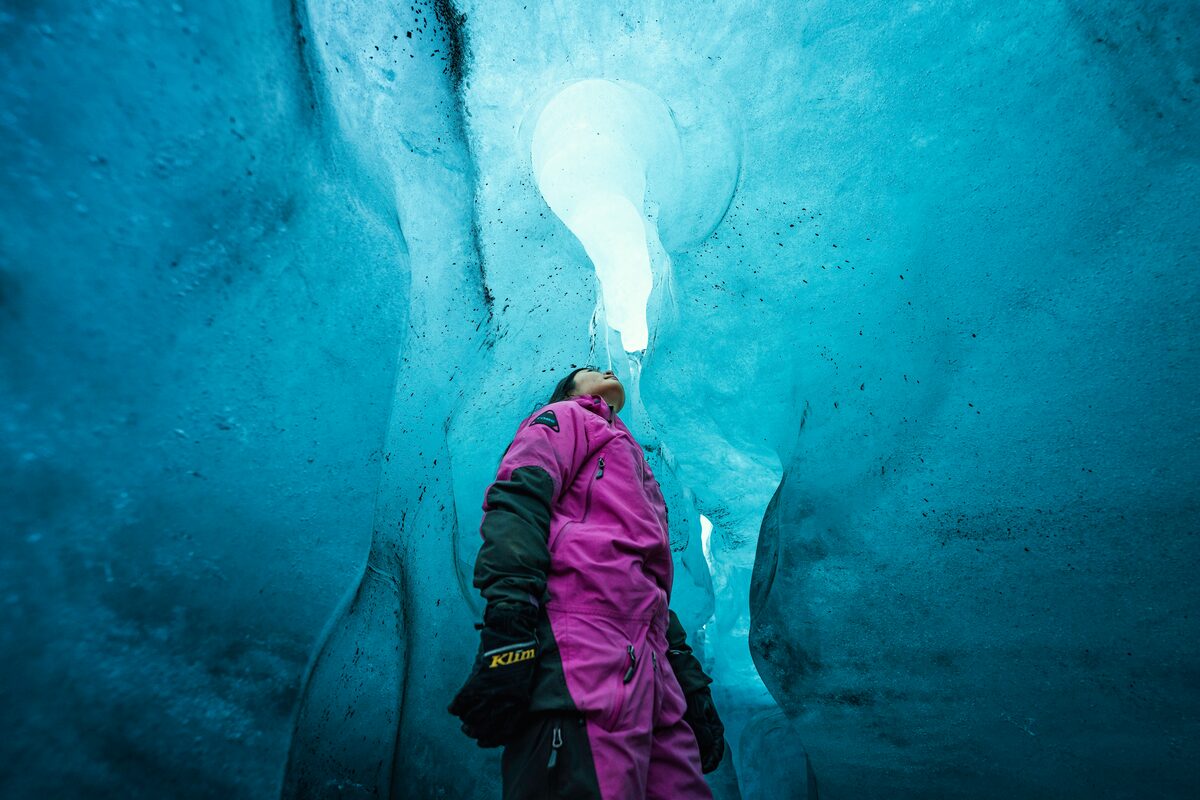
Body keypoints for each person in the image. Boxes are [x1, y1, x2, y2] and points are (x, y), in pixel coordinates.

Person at [448, 366, 725, 799]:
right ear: (570, 389)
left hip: (655, 683)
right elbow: (520, 499)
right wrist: (510, 621)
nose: (608, 370)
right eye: (591, 370)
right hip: (581, 659)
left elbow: (647, 586)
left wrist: (688, 681)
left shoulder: (634, 460)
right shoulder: (564, 418)